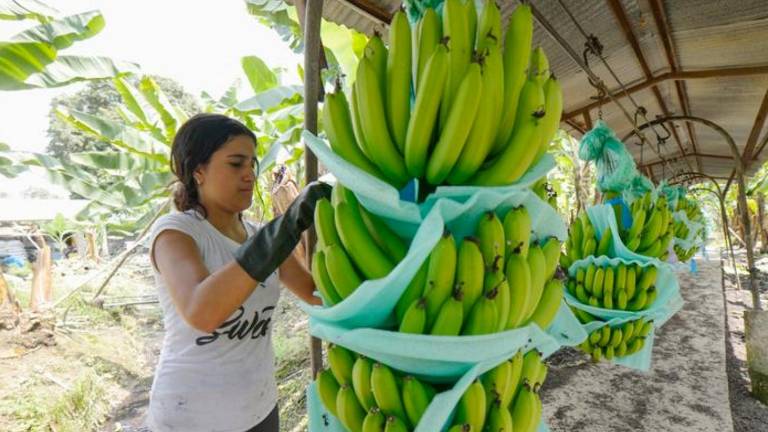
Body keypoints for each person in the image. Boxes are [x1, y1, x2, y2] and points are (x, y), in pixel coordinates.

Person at [146, 113, 331, 432]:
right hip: (191, 415)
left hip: (257, 408)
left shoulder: (260, 236)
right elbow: (202, 311)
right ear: (198, 170)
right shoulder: (176, 233)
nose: (249, 175)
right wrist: (284, 230)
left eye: (252, 165)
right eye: (235, 164)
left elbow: (316, 295)